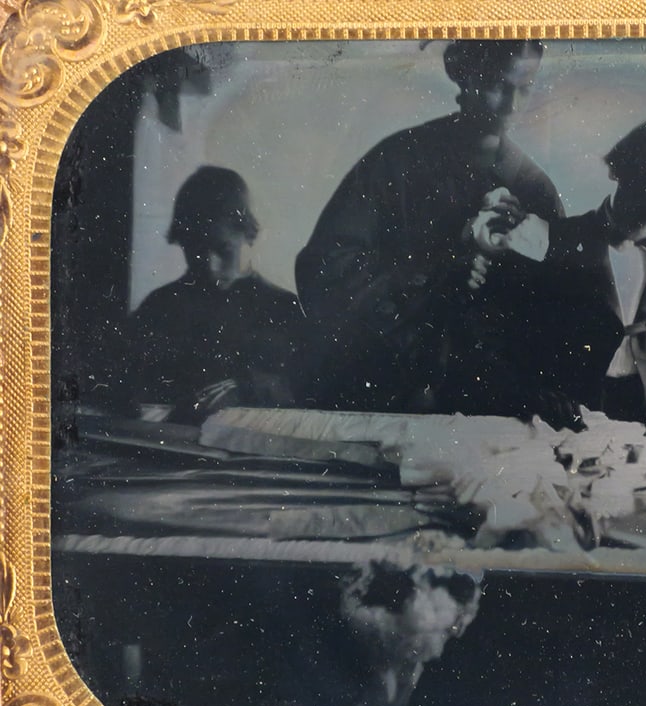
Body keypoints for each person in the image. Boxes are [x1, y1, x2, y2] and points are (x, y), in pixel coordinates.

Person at [294, 40, 563, 412]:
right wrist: (438, 263)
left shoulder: (535, 189)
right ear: (461, 73)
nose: (512, 105)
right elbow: (322, 271)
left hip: (494, 404)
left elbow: (563, 308)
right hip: (384, 390)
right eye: (497, 85)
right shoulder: (396, 162)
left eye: (526, 88)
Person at [468, 117, 646, 439]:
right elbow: (488, 343)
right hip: (564, 426)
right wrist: (533, 394)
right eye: (642, 196)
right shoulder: (550, 240)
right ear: (617, 170)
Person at [125, 166, 303, 423]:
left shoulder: (283, 308)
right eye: (195, 251)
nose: (210, 267)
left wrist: (246, 388)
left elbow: (303, 393)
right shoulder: (159, 306)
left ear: (248, 234)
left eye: (223, 250)